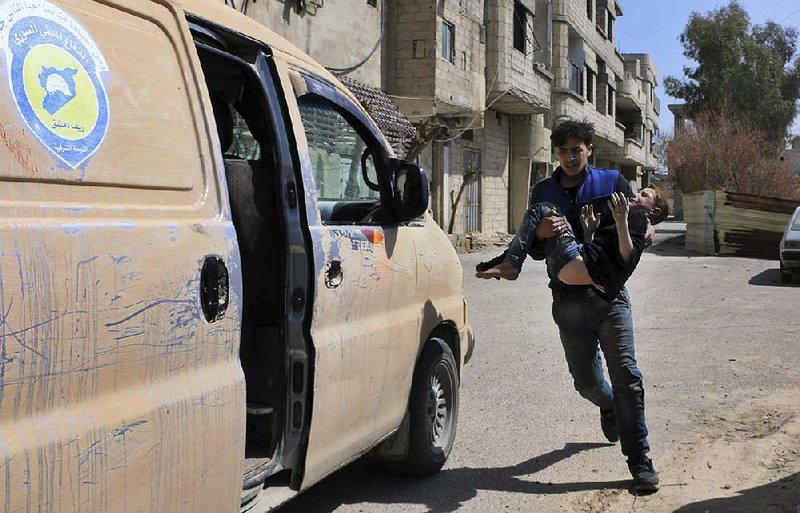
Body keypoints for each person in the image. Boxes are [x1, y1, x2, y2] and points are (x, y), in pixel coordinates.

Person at [478, 120, 662, 492]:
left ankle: (640, 461)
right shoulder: (543, 190)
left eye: (576, 150)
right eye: (563, 151)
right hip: (568, 302)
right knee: (587, 383)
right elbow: (535, 248)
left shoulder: (612, 183)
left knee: (627, 376)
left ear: (589, 149)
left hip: (610, 299)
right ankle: (607, 404)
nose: (570, 157)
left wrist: (644, 228)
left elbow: (632, 231)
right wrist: (540, 236)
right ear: (556, 154)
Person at [475, 188, 668, 304]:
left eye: (644, 195)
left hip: (572, 266)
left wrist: (622, 221)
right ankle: (509, 259)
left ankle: (511, 262)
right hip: (575, 268)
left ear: (654, 210)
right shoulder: (633, 220)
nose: (636, 194)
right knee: (547, 215)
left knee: (542, 208)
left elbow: (627, 256)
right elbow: (606, 258)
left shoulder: (637, 219)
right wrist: (588, 232)